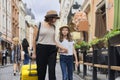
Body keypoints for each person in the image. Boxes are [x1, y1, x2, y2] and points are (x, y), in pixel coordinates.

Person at [32, 10, 67, 80]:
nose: (55, 20)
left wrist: (63, 47)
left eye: (56, 18)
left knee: (52, 70)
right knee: (41, 70)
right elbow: (34, 39)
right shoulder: (38, 24)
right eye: (53, 18)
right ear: (49, 17)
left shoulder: (53, 27)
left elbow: (54, 41)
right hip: (41, 48)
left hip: (52, 50)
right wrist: (34, 53)